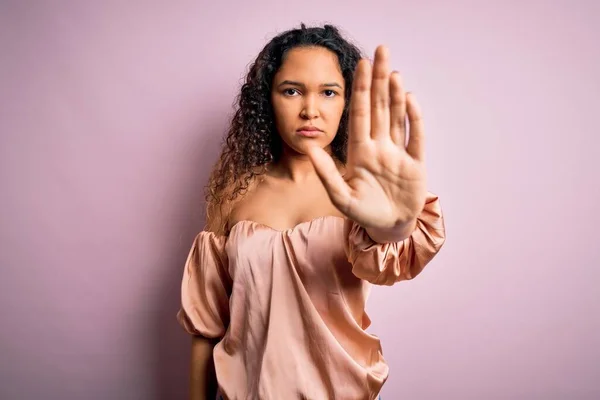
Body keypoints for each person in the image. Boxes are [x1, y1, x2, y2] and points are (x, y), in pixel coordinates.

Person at [177, 23, 446, 400]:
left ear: (347, 103)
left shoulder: (363, 195)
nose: (310, 110)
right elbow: (206, 328)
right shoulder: (235, 195)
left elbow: (390, 262)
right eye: (291, 91)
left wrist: (393, 228)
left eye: (329, 92)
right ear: (267, 100)